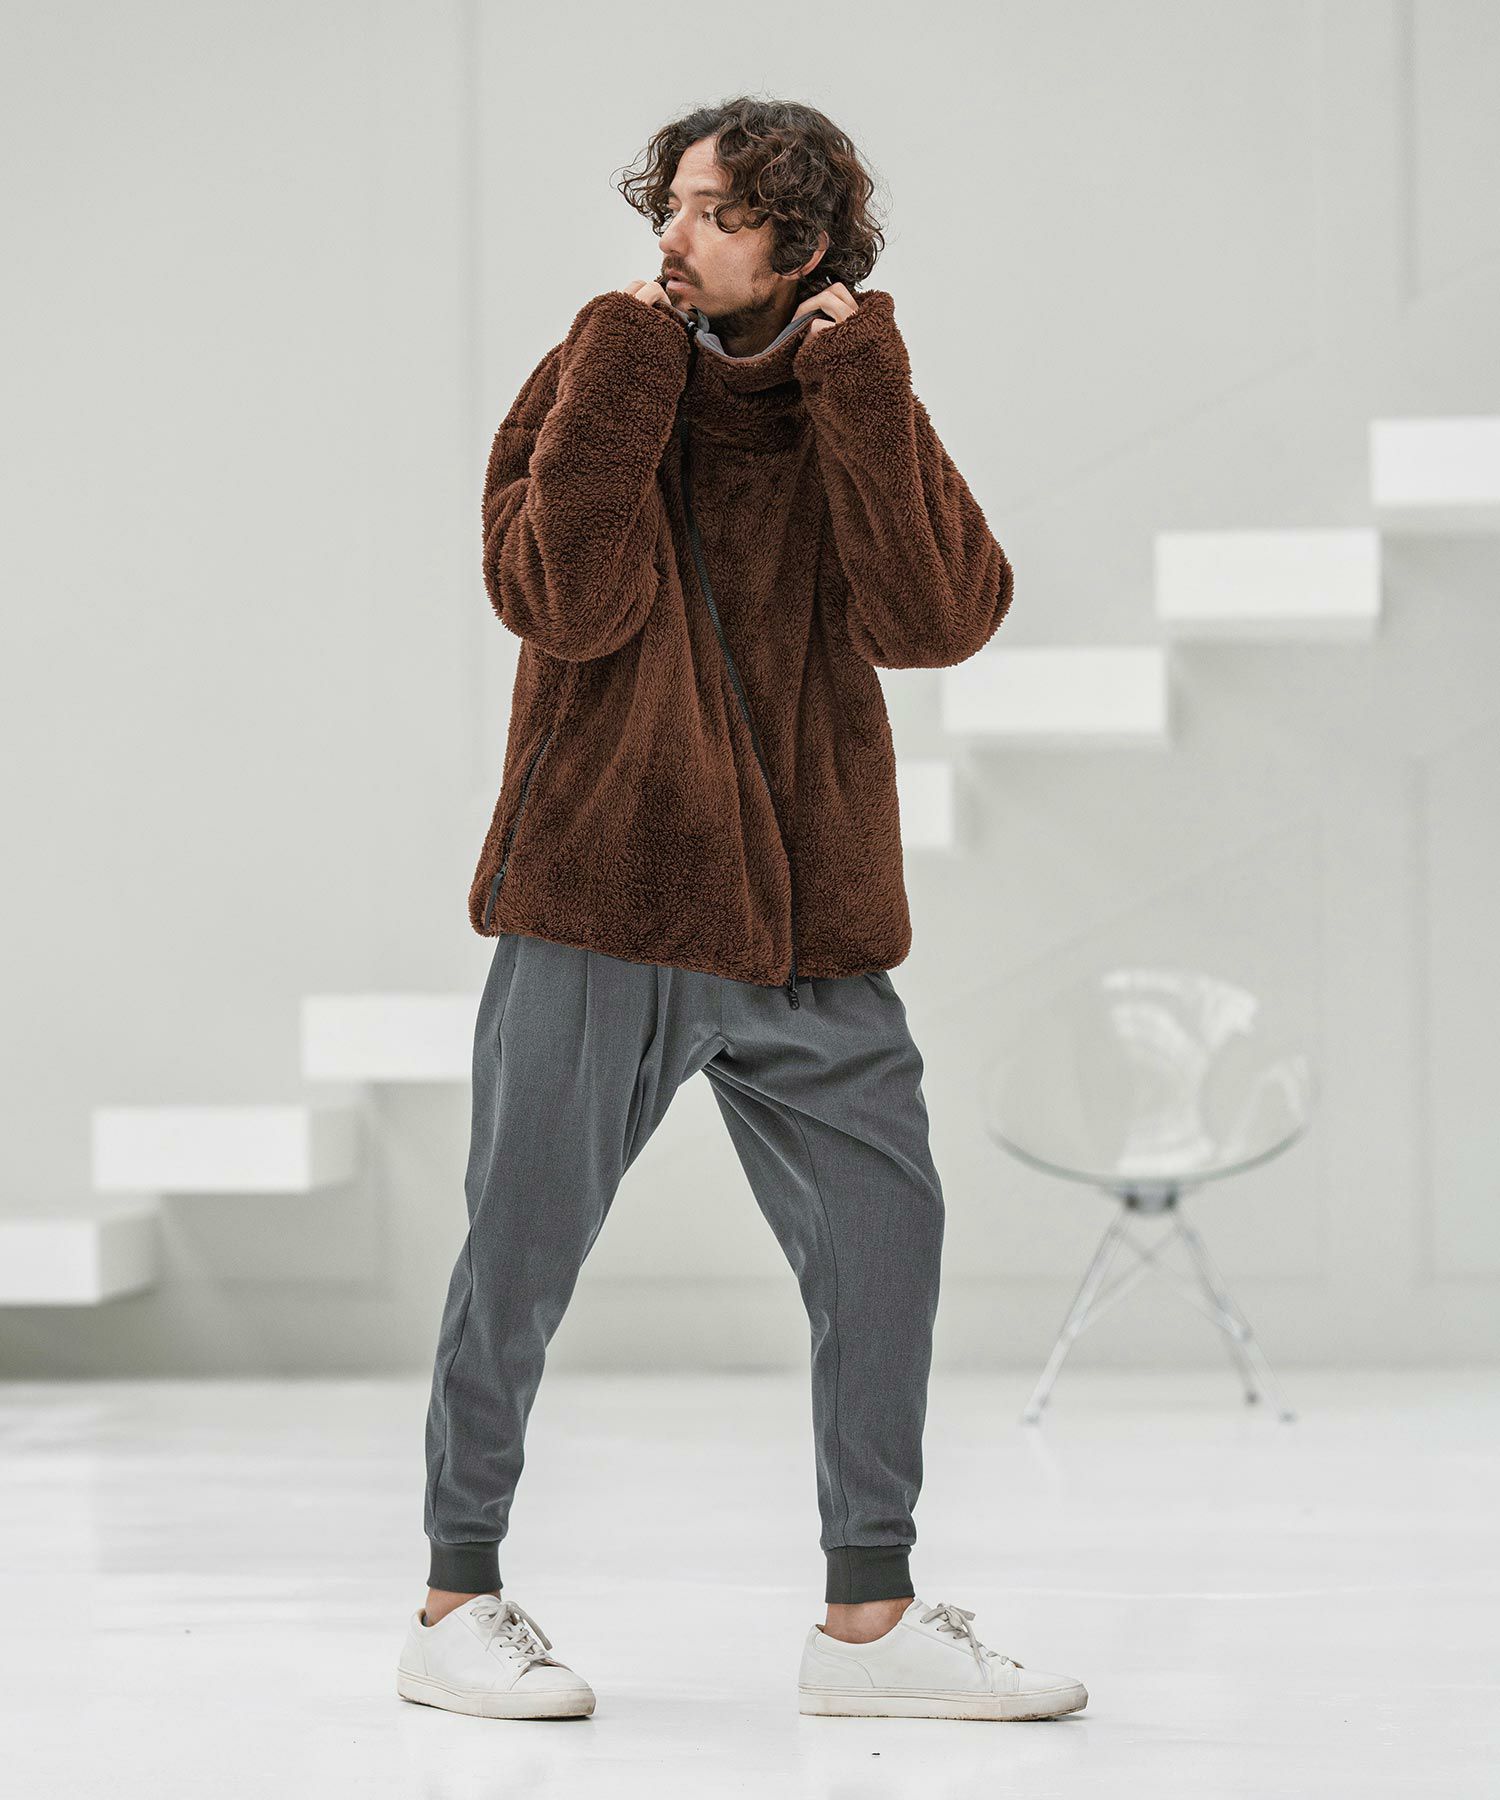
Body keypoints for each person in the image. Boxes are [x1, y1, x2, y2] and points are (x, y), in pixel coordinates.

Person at [395, 95, 1088, 1724]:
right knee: (521, 1246)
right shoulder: (601, 368)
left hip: (809, 923)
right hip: (609, 892)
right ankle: (453, 1600)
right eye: (671, 206)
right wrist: (625, 368)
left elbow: (940, 616)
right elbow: (561, 597)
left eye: (714, 213)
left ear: (803, 244)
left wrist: (866, 383)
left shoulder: (851, 395)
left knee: (887, 1237)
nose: (673, 238)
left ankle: (868, 1625)